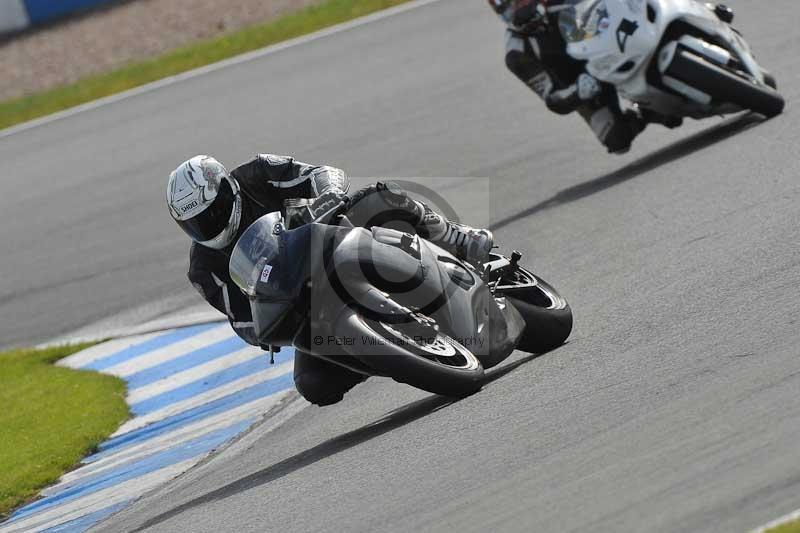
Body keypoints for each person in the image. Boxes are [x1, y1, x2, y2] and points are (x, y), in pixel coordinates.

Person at [166, 154, 493, 406]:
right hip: (307, 304)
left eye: (212, 211)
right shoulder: (204, 270)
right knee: (314, 384)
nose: (208, 225)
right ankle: (390, 351)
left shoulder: (258, 172)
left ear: (227, 189)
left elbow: (321, 173)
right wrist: (265, 324)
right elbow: (242, 322)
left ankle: (456, 236)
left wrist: (328, 194)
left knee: (376, 198)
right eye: (195, 224)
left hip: (334, 236)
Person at [488, 0, 681, 153]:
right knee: (617, 139)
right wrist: (579, 91)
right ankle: (648, 112)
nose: (519, 8)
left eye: (521, 1)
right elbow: (552, 99)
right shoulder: (517, 54)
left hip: (613, 44)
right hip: (585, 82)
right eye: (510, 5)